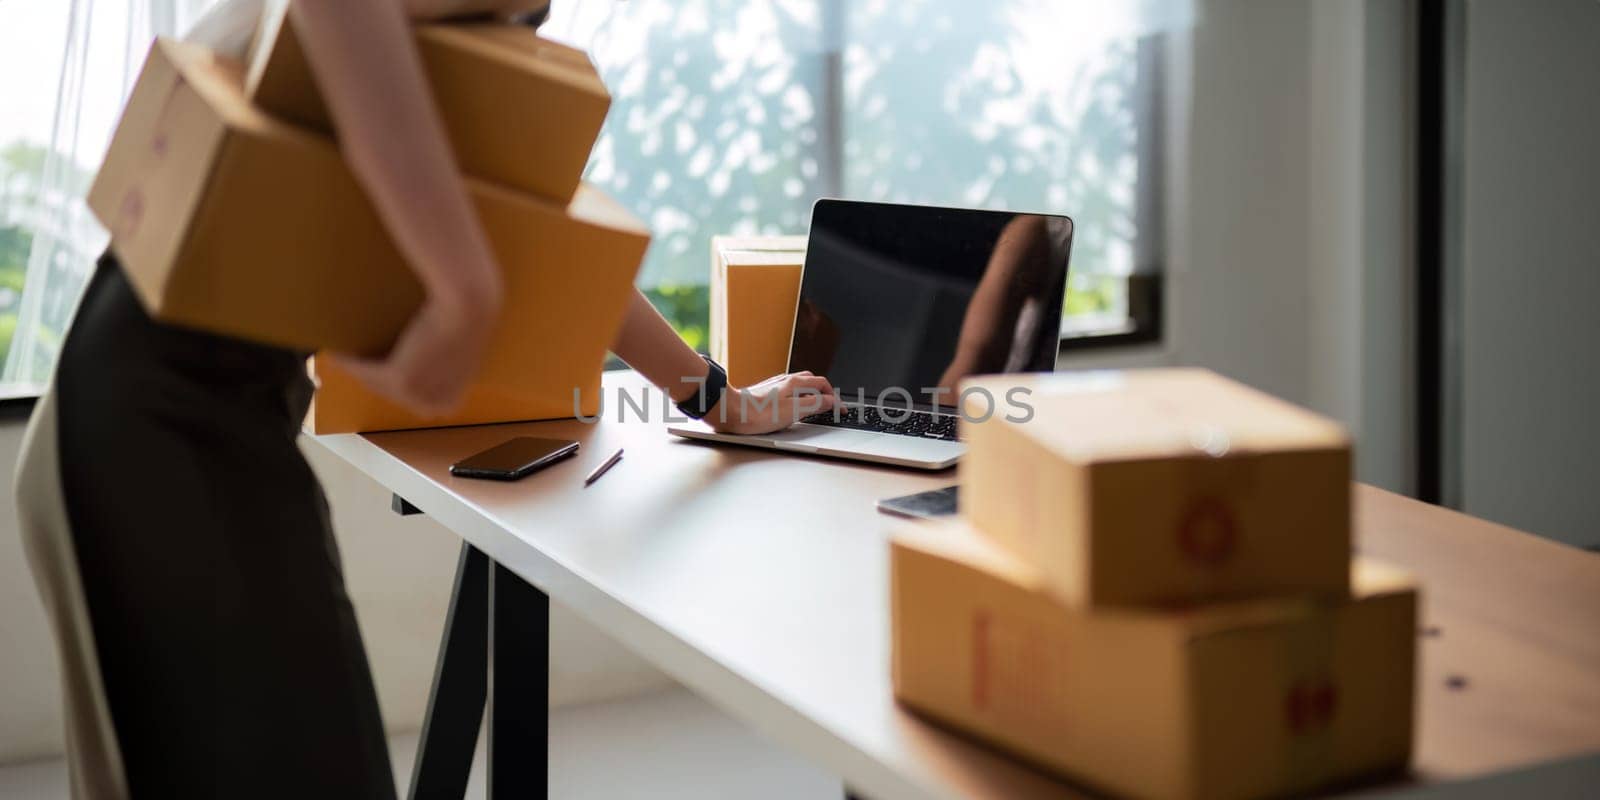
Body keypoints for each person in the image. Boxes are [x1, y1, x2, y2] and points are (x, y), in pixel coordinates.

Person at [14, 1, 835, 797]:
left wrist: (719, 398)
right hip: (157, 418)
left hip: (225, 411)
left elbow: (540, 223)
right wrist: (462, 285)